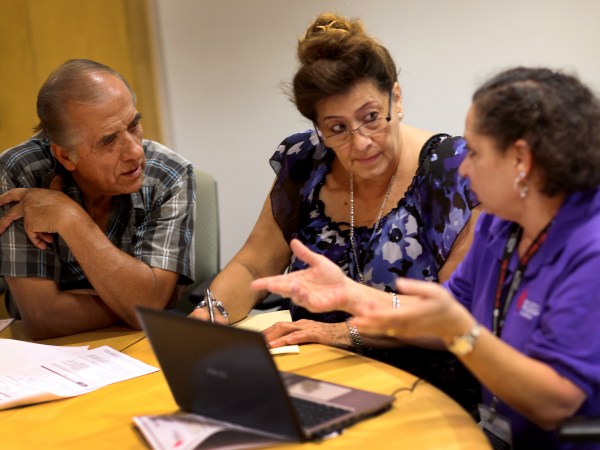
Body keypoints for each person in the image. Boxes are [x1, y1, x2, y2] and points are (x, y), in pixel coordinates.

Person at [252, 67, 600, 449]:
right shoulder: (500, 225)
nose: (464, 168)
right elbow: (443, 315)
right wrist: (351, 295)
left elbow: (556, 403)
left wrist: (461, 332)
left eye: (477, 152)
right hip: (495, 428)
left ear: (522, 161)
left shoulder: (590, 248)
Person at [191, 12, 480, 411]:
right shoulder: (305, 163)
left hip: (428, 394)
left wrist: (345, 333)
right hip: (317, 380)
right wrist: (211, 315)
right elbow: (254, 268)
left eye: (371, 118)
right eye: (338, 128)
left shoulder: (453, 173)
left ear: (396, 99)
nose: (360, 142)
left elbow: (457, 320)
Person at [0, 59, 195, 340]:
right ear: (65, 156)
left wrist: (71, 219)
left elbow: (149, 304)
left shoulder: (168, 173)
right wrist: (138, 300)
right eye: (108, 141)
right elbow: (44, 318)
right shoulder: (20, 173)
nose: (135, 153)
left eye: (134, 125)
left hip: (138, 346)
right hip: (50, 358)